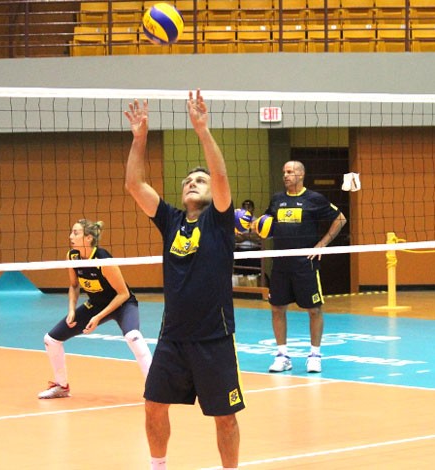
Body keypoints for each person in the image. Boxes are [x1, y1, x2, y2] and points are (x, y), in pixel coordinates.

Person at [125, 90, 244, 470]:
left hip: (213, 337)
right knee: (153, 405)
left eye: (200, 180)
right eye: (188, 180)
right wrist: (139, 139)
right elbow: (134, 185)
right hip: (173, 336)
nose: (193, 183)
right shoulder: (172, 220)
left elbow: (221, 176)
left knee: (224, 417)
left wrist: (202, 130)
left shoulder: (219, 221)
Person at [37, 218, 153, 399]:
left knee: (133, 336)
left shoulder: (102, 259)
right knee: (50, 339)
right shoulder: (72, 256)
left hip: (122, 304)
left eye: (76, 233)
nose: (70, 236)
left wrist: (98, 318)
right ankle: (62, 386)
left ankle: (155, 387)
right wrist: (72, 310)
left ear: (89, 238)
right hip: (96, 304)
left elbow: (123, 293)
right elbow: (74, 285)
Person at [264, 161, 347, 374]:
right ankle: (282, 356)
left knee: (314, 309)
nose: (286, 175)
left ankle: (315, 355)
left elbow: (340, 219)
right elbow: (268, 226)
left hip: (305, 264)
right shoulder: (277, 199)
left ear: (301, 174)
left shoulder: (314, 199)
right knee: (277, 308)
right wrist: (253, 225)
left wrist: (322, 244)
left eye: (290, 172)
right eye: (284, 172)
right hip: (280, 263)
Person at [234, 199, 266, 286]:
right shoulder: (237, 221)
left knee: (254, 276)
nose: (247, 209)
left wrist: (244, 236)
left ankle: (254, 295)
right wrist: (249, 235)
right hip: (240, 251)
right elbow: (236, 238)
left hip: (254, 251)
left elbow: (258, 238)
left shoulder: (257, 222)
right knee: (239, 275)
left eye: (249, 207)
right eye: (244, 207)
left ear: (253, 208)